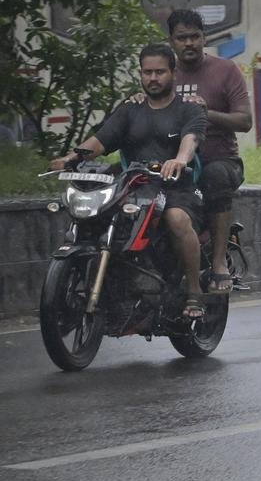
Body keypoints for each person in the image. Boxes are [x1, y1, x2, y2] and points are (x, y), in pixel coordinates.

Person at [50, 44, 208, 319]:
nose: (153, 78)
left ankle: (194, 292)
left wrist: (180, 160)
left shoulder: (189, 110)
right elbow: (101, 139)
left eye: (160, 72)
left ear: (173, 73)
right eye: (147, 72)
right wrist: (72, 157)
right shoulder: (130, 109)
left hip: (176, 187)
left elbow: (190, 140)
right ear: (140, 74)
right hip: (134, 187)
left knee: (176, 219)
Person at [166, 9, 253, 291]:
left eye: (194, 36)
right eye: (182, 38)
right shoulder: (164, 74)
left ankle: (218, 262)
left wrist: (207, 113)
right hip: (173, 162)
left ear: (204, 38)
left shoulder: (226, 70)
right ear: (172, 42)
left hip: (220, 159)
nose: (189, 43)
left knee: (215, 176)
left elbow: (245, 121)